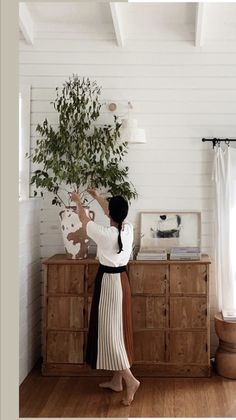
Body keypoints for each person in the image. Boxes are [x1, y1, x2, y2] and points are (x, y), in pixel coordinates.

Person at [71, 189, 140, 406]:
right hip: (122, 281)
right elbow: (109, 210)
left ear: (111, 213)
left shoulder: (106, 234)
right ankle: (117, 381)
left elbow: (84, 220)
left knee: (110, 334)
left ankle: (130, 380)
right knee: (118, 331)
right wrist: (98, 195)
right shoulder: (127, 229)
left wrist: (78, 200)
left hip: (110, 284)